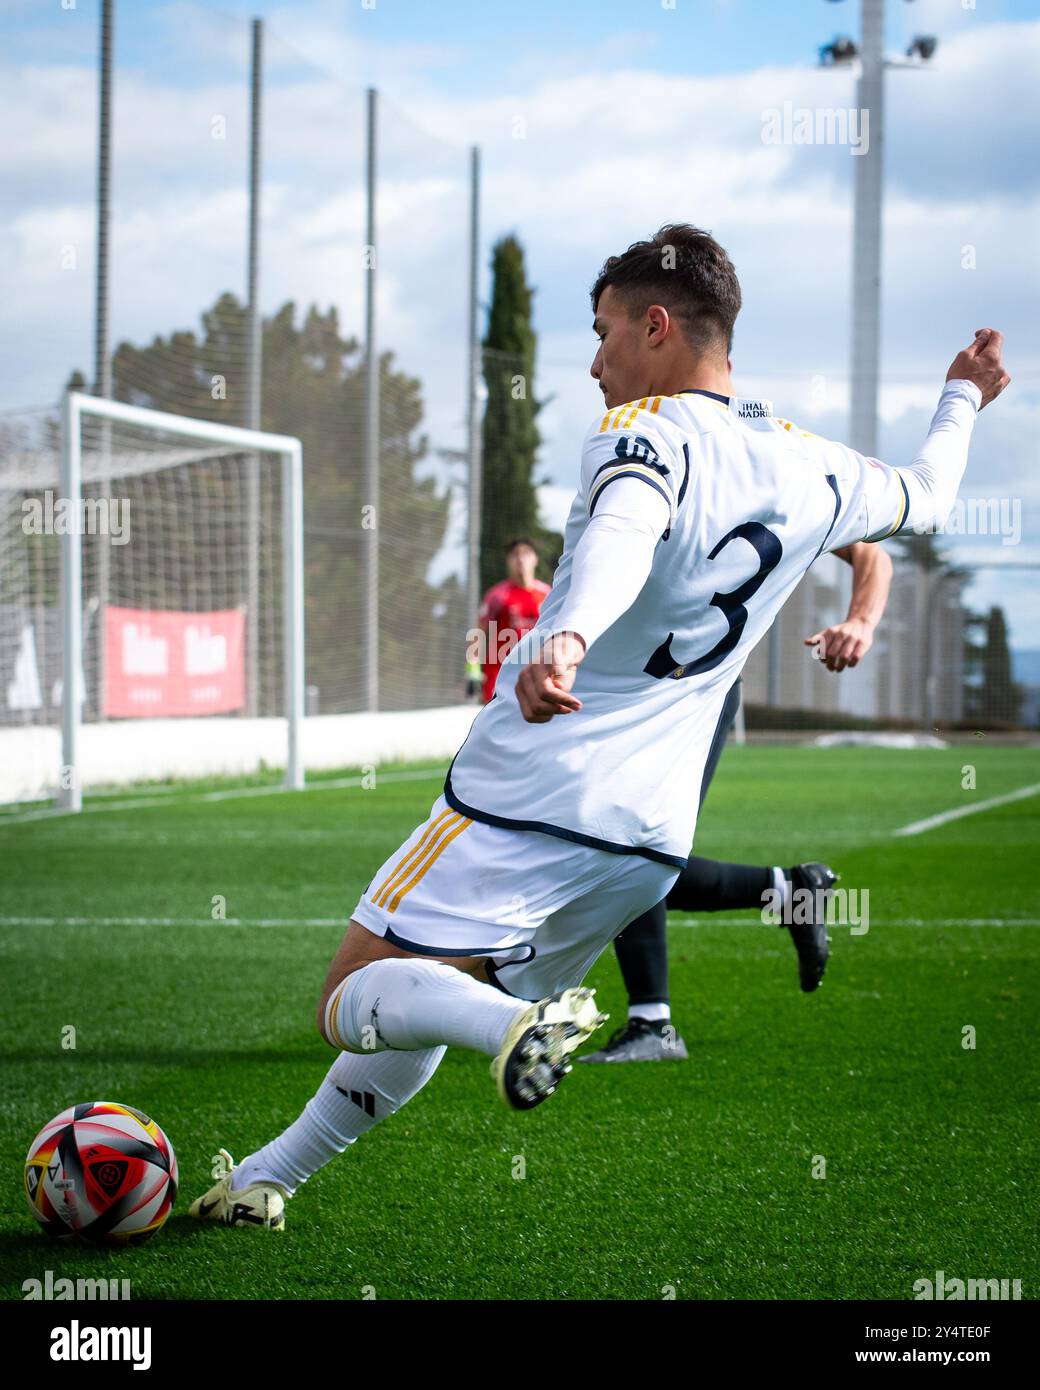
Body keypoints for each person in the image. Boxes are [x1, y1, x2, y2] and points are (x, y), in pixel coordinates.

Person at [189, 224, 1007, 1229]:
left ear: (654, 325)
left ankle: (517, 1024)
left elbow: (623, 526)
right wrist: (961, 395)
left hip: (529, 792)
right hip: (645, 843)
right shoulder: (811, 464)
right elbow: (923, 498)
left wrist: (563, 638)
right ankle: (269, 1179)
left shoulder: (641, 432)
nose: (592, 359)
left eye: (603, 330)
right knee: (421, 995)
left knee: (350, 993)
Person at [581, 540, 893, 1064]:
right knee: (609, 849)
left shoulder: (780, 471)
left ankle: (651, 1024)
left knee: (632, 847)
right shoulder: (646, 468)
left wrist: (860, 621)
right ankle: (790, 890)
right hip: (623, 685)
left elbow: (873, 556)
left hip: (694, 690)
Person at [475, 538, 551, 702]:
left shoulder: (548, 595)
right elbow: (478, 634)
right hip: (499, 677)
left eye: (526, 554)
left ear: (535, 559)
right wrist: (472, 672)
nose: (521, 559)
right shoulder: (496, 596)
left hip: (537, 674)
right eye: (515, 555)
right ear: (508, 561)